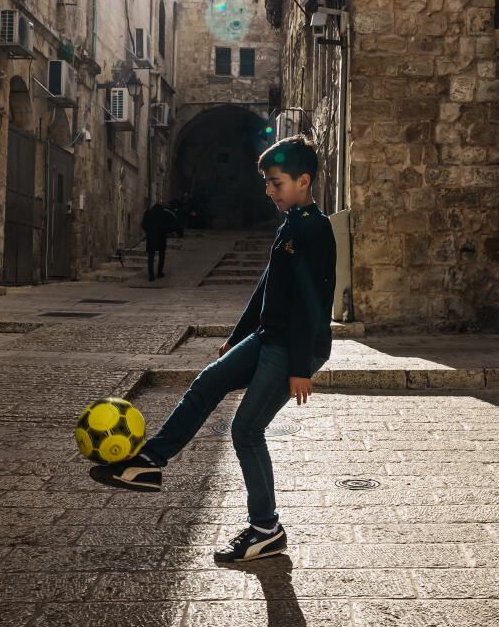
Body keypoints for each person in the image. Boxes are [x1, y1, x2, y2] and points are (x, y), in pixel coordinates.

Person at [91, 135, 337, 563]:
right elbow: (268, 287)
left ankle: (266, 529)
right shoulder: (292, 224)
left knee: (246, 430)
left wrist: (300, 367)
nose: (268, 191)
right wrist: (238, 336)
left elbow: (312, 303)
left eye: (276, 183)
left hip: (296, 346)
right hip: (267, 338)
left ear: (303, 180)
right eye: (266, 183)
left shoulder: (315, 229)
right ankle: (150, 461)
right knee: (206, 383)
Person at [141, 202, 172, 282]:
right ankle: (159, 272)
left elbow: (143, 224)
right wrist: (165, 232)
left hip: (151, 236)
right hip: (161, 237)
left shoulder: (148, 213)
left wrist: (149, 231)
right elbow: (168, 225)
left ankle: (151, 275)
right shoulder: (164, 214)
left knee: (151, 256)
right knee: (161, 255)